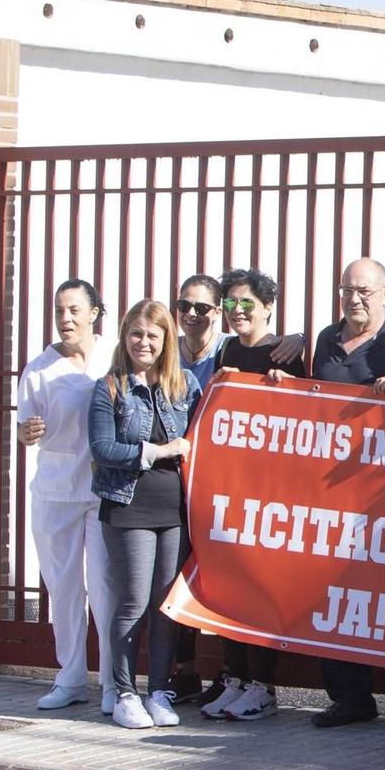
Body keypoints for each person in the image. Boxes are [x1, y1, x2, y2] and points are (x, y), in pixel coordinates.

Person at [305, 257, 385, 728]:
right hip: (333, 492)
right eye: (347, 290)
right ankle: (348, 697)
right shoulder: (325, 339)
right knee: (335, 594)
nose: (354, 299)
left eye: (364, 291)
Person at [196, 267, 306, 723]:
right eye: (230, 303)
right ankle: (234, 677)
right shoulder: (224, 349)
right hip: (228, 488)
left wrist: (288, 387)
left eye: (247, 303)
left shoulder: (287, 352)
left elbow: (306, 415)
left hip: (270, 491)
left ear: (267, 306)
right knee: (229, 588)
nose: (237, 311)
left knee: (261, 589)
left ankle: (263, 685)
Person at [88, 300, 198, 731]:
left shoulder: (183, 384)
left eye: (153, 335)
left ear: (167, 339)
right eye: (136, 333)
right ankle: (123, 693)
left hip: (174, 510)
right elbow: (102, 450)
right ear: (124, 336)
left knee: (164, 604)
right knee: (133, 601)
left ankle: (158, 692)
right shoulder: (109, 387)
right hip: (127, 506)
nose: (144, 342)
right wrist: (158, 451)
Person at [17, 280, 116, 711]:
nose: (66, 319)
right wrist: (26, 434)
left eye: (75, 310)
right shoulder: (39, 368)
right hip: (56, 491)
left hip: (103, 490)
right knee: (64, 588)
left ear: (94, 312)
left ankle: (114, 683)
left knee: (106, 587)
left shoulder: (115, 356)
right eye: (59, 310)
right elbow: (25, 428)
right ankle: (72, 677)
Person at [165, 272, 228, 703]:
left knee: (224, 578)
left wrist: (295, 341)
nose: (191, 314)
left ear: (217, 312)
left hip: (221, 483)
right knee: (174, 576)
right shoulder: (166, 353)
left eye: (201, 308)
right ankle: (183, 672)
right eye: (185, 306)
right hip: (173, 481)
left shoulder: (230, 350)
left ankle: (228, 673)